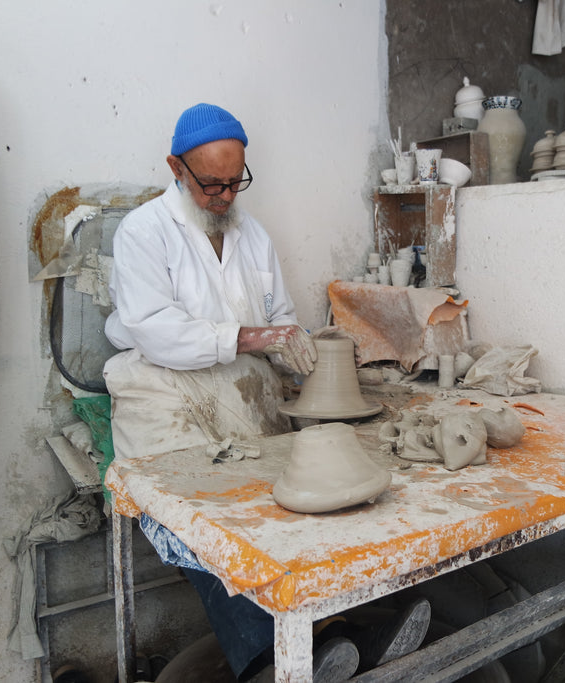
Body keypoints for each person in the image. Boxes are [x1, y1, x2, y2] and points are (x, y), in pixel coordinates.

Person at [103, 103, 429, 682]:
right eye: (212, 184)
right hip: (166, 400)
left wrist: (306, 345)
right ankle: (265, 660)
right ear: (176, 167)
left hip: (243, 395)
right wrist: (261, 335)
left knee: (292, 513)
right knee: (207, 525)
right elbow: (158, 333)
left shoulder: (251, 234)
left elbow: (280, 316)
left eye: (236, 181)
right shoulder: (144, 232)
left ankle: (340, 637)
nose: (226, 196)